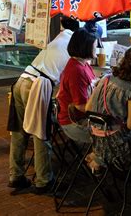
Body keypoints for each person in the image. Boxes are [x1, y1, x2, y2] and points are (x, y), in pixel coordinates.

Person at [8, 16, 79, 194]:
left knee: (19, 132)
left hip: (22, 80)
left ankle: (15, 176)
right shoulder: (75, 44)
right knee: (41, 132)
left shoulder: (60, 38)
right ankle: (44, 180)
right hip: (37, 85)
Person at [85, 45, 131, 173]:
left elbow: (88, 108)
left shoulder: (105, 79)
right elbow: (130, 125)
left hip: (96, 140)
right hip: (117, 144)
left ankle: (98, 159)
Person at [56, 28, 98, 144]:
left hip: (81, 117)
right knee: (115, 133)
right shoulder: (76, 70)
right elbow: (80, 106)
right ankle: (96, 158)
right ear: (86, 47)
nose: (96, 49)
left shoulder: (82, 64)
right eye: (94, 46)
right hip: (74, 123)